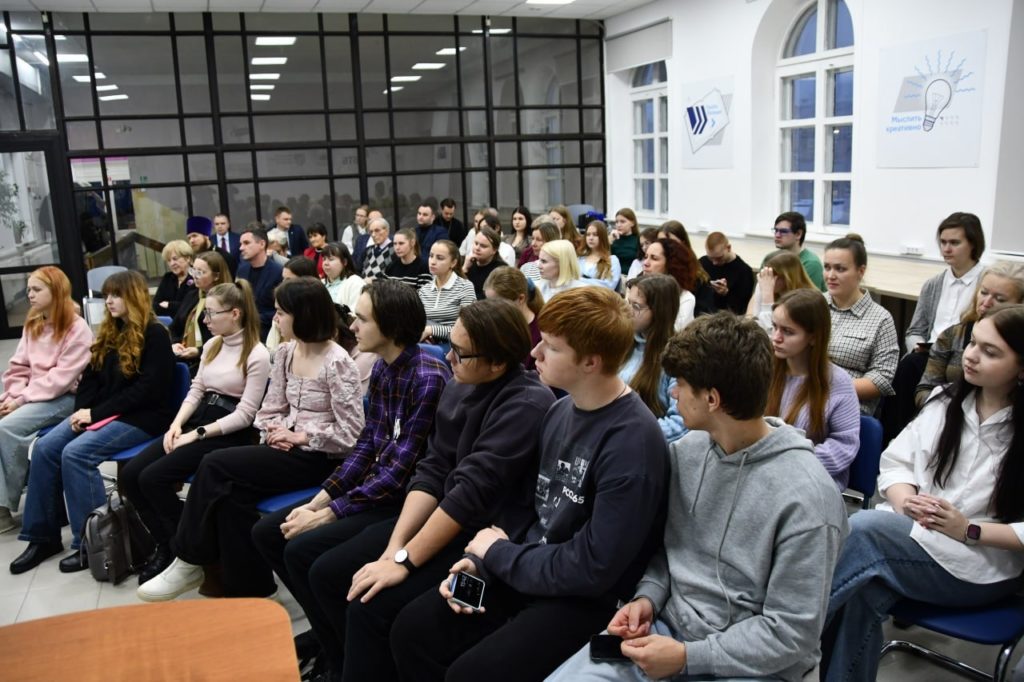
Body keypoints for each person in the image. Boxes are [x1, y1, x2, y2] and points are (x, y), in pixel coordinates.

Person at [259, 299, 552, 681]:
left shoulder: (525, 403)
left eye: (460, 352)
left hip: (482, 534)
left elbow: (468, 496)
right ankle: (339, 660)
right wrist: (394, 550)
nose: (448, 356)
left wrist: (403, 561)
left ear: (497, 363)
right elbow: (432, 470)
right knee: (326, 572)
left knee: (371, 606)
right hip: (440, 513)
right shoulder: (460, 384)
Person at [548, 311, 848, 682]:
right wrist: (648, 597)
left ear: (711, 398)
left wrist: (688, 657)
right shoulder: (687, 452)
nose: (673, 393)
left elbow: (791, 633)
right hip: (667, 634)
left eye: (680, 384)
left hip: (755, 666)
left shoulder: (809, 499)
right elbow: (670, 549)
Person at [391, 286, 670, 682]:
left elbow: (593, 567)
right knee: (412, 630)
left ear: (590, 362)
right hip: (529, 567)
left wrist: (499, 555)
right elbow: (528, 508)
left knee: (472, 674)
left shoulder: (634, 443)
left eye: (551, 347)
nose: (535, 352)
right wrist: (482, 564)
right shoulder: (560, 410)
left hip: (582, 598)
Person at [246, 280, 449, 666]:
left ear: (390, 326)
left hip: (402, 501)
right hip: (376, 487)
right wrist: (321, 500)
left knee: (308, 556)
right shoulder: (385, 367)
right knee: (268, 533)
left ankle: (339, 655)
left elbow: (399, 474)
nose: (352, 326)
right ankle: (327, 633)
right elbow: (367, 445)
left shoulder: (427, 377)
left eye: (362, 319)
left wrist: (327, 514)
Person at [820, 303, 1024, 682]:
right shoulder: (945, 400)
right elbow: (897, 462)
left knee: (865, 529)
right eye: (972, 343)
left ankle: (783, 636)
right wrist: (905, 501)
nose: (971, 356)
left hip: (982, 566)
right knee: (863, 592)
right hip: (916, 539)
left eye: (990, 351)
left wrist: (968, 530)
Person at [136, 277, 365, 601]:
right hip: (283, 449)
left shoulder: (337, 361)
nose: (276, 319)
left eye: (281, 312)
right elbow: (267, 410)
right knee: (231, 498)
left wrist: (299, 435)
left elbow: (352, 434)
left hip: (321, 458)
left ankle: (189, 558)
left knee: (214, 463)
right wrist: (274, 431)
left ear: (303, 315)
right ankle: (252, 590)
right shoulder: (285, 352)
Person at [11, 271, 175, 575]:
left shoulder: (155, 335)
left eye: (116, 295)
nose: (108, 301)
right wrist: (83, 412)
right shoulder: (110, 332)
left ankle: (91, 544)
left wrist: (95, 414)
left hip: (143, 417)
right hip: (106, 412)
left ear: (134, 297)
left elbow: (147, 391)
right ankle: (42, 537)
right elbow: (90, 379)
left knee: (76, 454)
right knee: (45, 448)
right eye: (106, 295)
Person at [120, 280, 270, 584]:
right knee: (130, 475)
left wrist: (196, 433)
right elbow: (197, 389)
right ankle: (171, 544)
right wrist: (176, 425)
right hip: (197, 420)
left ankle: (186, 551)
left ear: (235, 314)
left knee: (152, 478)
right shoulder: (213, 345)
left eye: (212, 313)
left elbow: (245, 415)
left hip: (226, 432)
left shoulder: (257, 354)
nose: (205, 319)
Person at [0, 268, 92, 534]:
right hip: (31, 394)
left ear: (56, 291)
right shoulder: (34, 323)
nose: (29, 294)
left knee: (6, 428)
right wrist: (12, 395)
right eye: (29, 289)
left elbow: (60, 379)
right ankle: (24, 479)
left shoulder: (77, 328)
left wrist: (19, 401)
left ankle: (3, 509)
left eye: (36, 289)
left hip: (65, 397)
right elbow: (18, 367)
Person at [885, 212, 987, 442]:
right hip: (931, 355)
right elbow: (915, 330)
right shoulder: (933, 284)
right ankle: (894, 440)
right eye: (943, 242)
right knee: (907, 368)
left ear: (973, 244)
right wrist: (917, 347)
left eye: (954, 243)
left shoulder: (985, 283)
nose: (946, 249)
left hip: (963, 355)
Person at [766, 289, 860, 490]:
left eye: (788, 331)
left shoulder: (838, 383)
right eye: (774, 327)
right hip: (765, 473)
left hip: (813, 480)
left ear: (814, 337)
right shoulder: (765, 370)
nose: (776, 337)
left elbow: (844, 445)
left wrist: (791, 463)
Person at [916, 261, 1024, 408]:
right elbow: (925, 388)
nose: (986, 302)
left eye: (1000, 299)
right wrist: (950, 411)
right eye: (984, 292)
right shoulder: (952, 334)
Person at [824, 234, 899, 415]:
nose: (831, 276)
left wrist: (828, 388)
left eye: (840, 269)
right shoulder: (814, 305)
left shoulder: (881, 319)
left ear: (861, 271)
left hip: (849, 406)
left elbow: (881, 379)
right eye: (827, 267)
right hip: (805, 394)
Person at [622, 275, 686, 442]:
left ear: (659, 312)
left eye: (636, 306)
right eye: (627, 302)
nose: (627, 311)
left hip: (636, 441)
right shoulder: (623, 341)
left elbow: (680, 423)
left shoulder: (677, 358)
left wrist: (625, 434)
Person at [169, 250, 231, 372]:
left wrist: (199, 351)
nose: (194, 276)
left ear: (216, 276)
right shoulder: (192, 295)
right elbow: (174, 327)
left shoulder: (226, 300)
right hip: (186, 356)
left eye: (200, 272)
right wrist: (176, 344)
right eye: (193, 271)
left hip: (214, 360)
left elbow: (226, 338)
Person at [419, 240, 477, 348]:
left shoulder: (465, 287)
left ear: (453, 263)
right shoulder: (424, 289)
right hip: (426, 342)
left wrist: (430, 330)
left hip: (454, 345)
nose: (432, 261)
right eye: (431, 256)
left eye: (440, 258)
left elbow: (468, 328)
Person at [483, 266, 544, 370]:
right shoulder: (493, 324)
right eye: (489, 302)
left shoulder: (540, 333)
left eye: (499, 304)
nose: (492, 309)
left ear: (520, 299)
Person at [746, 250, 819, 331]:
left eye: (772, 274)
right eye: (765, 272)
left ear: (788, 276)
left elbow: (772, 332)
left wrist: (767, 299)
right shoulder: (764, 282)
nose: (767, 278)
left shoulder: (808, 300)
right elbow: (751, 324)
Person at [236, 226, 285, 342]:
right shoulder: (242, 270)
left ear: (262, 244)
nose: (241, 248)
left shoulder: (278, 271)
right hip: (244, 334)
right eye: (241, 244)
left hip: (269, 335)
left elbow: (282, 308)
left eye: (246, 243)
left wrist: (254, 317)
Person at [642, 238, 698, 331]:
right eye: (646, 257)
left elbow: (673, 334)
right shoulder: (638, 289)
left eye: (654, 258)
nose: (645, 263)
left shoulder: (686, 299)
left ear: (671, 264)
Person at [764, 211, 825, 291]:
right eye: (776, 230)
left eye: (783, 231)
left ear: (798, 234)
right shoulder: (771, 258)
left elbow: (807, 296)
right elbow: (760, 290)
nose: (777, 235)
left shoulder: (811, 263)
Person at [700, 231, 754, 314]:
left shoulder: (744, 272)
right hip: (702, 314)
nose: (714, 263)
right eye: (711, 258)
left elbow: (741, 307)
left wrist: (726, 293)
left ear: (728, 248)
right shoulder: (703, 263)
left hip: (727, 317)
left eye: (719, 258)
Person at [153, 240, 196, 316]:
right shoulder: (167, 277)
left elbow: (190, 307)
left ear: (188, 258)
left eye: (175, 259)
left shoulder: (196, 277)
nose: (172, 263)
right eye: (169, 260)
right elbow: (156, 305)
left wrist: (169, 305)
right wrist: (177, 306)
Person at [464, 226, 508, 299]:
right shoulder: (469, 263)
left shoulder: (501, 270)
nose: (477, 248)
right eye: (476, 243)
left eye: (483, 246)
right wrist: (465, 268)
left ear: (494, 250)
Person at [578, 220, 622, 290]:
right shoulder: (580, 259)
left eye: (595, 235)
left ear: (602, 237)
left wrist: (579, 280)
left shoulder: (612, 260)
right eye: (588, 235)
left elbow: (608, 286)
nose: (591, 238)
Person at [322, 242, 364, 311]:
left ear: (344, 262)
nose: (325, 263)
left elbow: (355, 314)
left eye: (331, 259)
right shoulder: (321, 283)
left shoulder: (355, 283)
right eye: (324, 259)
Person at [610, 208, 640, 275]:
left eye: (622, 222)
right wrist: (610, 241)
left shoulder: (638, 240)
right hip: (613, 275)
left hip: (631, 276)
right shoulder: (613, 239)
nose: (618, 225)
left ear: (632, 223)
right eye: (617, 222)